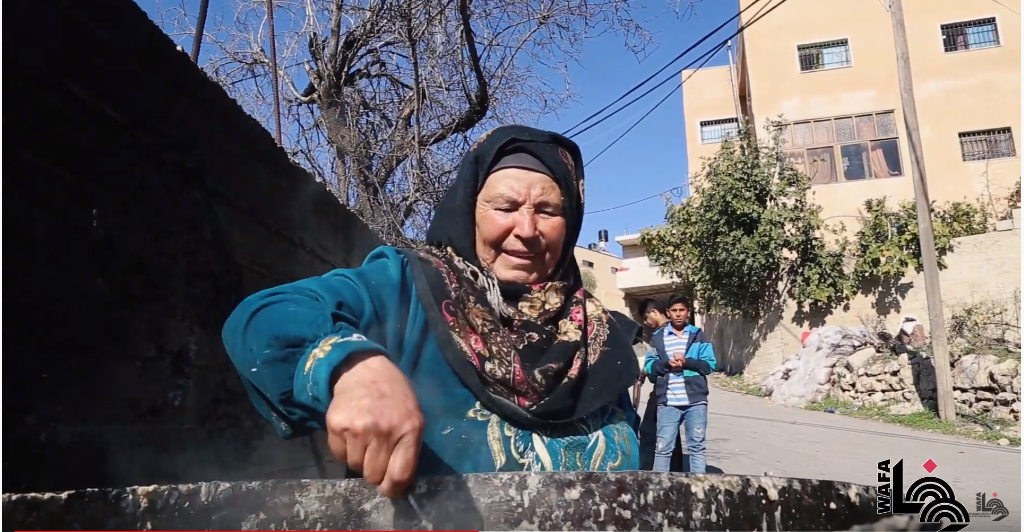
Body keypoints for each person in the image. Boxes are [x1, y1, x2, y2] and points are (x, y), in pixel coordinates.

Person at [221, 125, 642, 498]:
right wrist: (351, 368)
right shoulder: (405, 287)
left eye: (548, 211)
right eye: (505, 207)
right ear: (468, 210)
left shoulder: (595, 337)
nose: (527, 230)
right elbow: (264, 318)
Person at [643, 294, 716, 473]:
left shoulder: (698, 335)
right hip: (668, 403)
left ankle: (698, 485)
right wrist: (666, 364)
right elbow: (649, 365)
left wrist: (687, 362)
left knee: (697, 447)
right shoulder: (657, 337)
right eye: (674, 310)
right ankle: (661, 486)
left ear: (688, 312)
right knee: (663, 448)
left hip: (696, 402)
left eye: (681, 310)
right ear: (668, 313)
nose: (678, 314)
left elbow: (709, 365)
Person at [635, 298, 683, 472]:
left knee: (649, 430)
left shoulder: (662, 335)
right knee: (671, 433)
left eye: (646, 317)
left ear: (654, 312)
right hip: (675, 389)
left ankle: (646, 473)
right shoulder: (676, 331)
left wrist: (648, 370)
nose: (646, 323)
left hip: (665, 390)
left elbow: (659, 368)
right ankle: (676, 473)